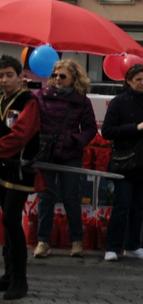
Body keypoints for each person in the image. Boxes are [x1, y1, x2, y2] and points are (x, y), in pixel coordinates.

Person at [29, 59, 97, 260]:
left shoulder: (82, 100)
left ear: (74, 79)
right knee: (45, 197)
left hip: (70, 153)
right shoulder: (40, 96)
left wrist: (74, 140)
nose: (57, 79)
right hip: (46, 152)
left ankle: (76, 241)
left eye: (62, 76)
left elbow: (90, 128)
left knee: (71, 197)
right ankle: (43, 241)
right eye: (55, 75)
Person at [101, 63, 143, 262]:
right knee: (121, 205)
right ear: (129, 81)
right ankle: (112, 246)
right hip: (124, 161)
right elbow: (107, 131)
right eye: (138, 80)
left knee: (138, 206)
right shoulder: (119, 102)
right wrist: (135, 127)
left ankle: (133, 245)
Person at [0, 55, 42, 300]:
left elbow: (20, 135)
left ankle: (20, 280)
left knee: (12, 222)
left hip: (20, 170)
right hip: (2, 169)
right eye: (1, 75)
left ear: (19, 77)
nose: (4, 80)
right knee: (6, 220)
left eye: (9, 75)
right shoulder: (1, 100)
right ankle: (9, 274)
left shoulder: (28, 102)